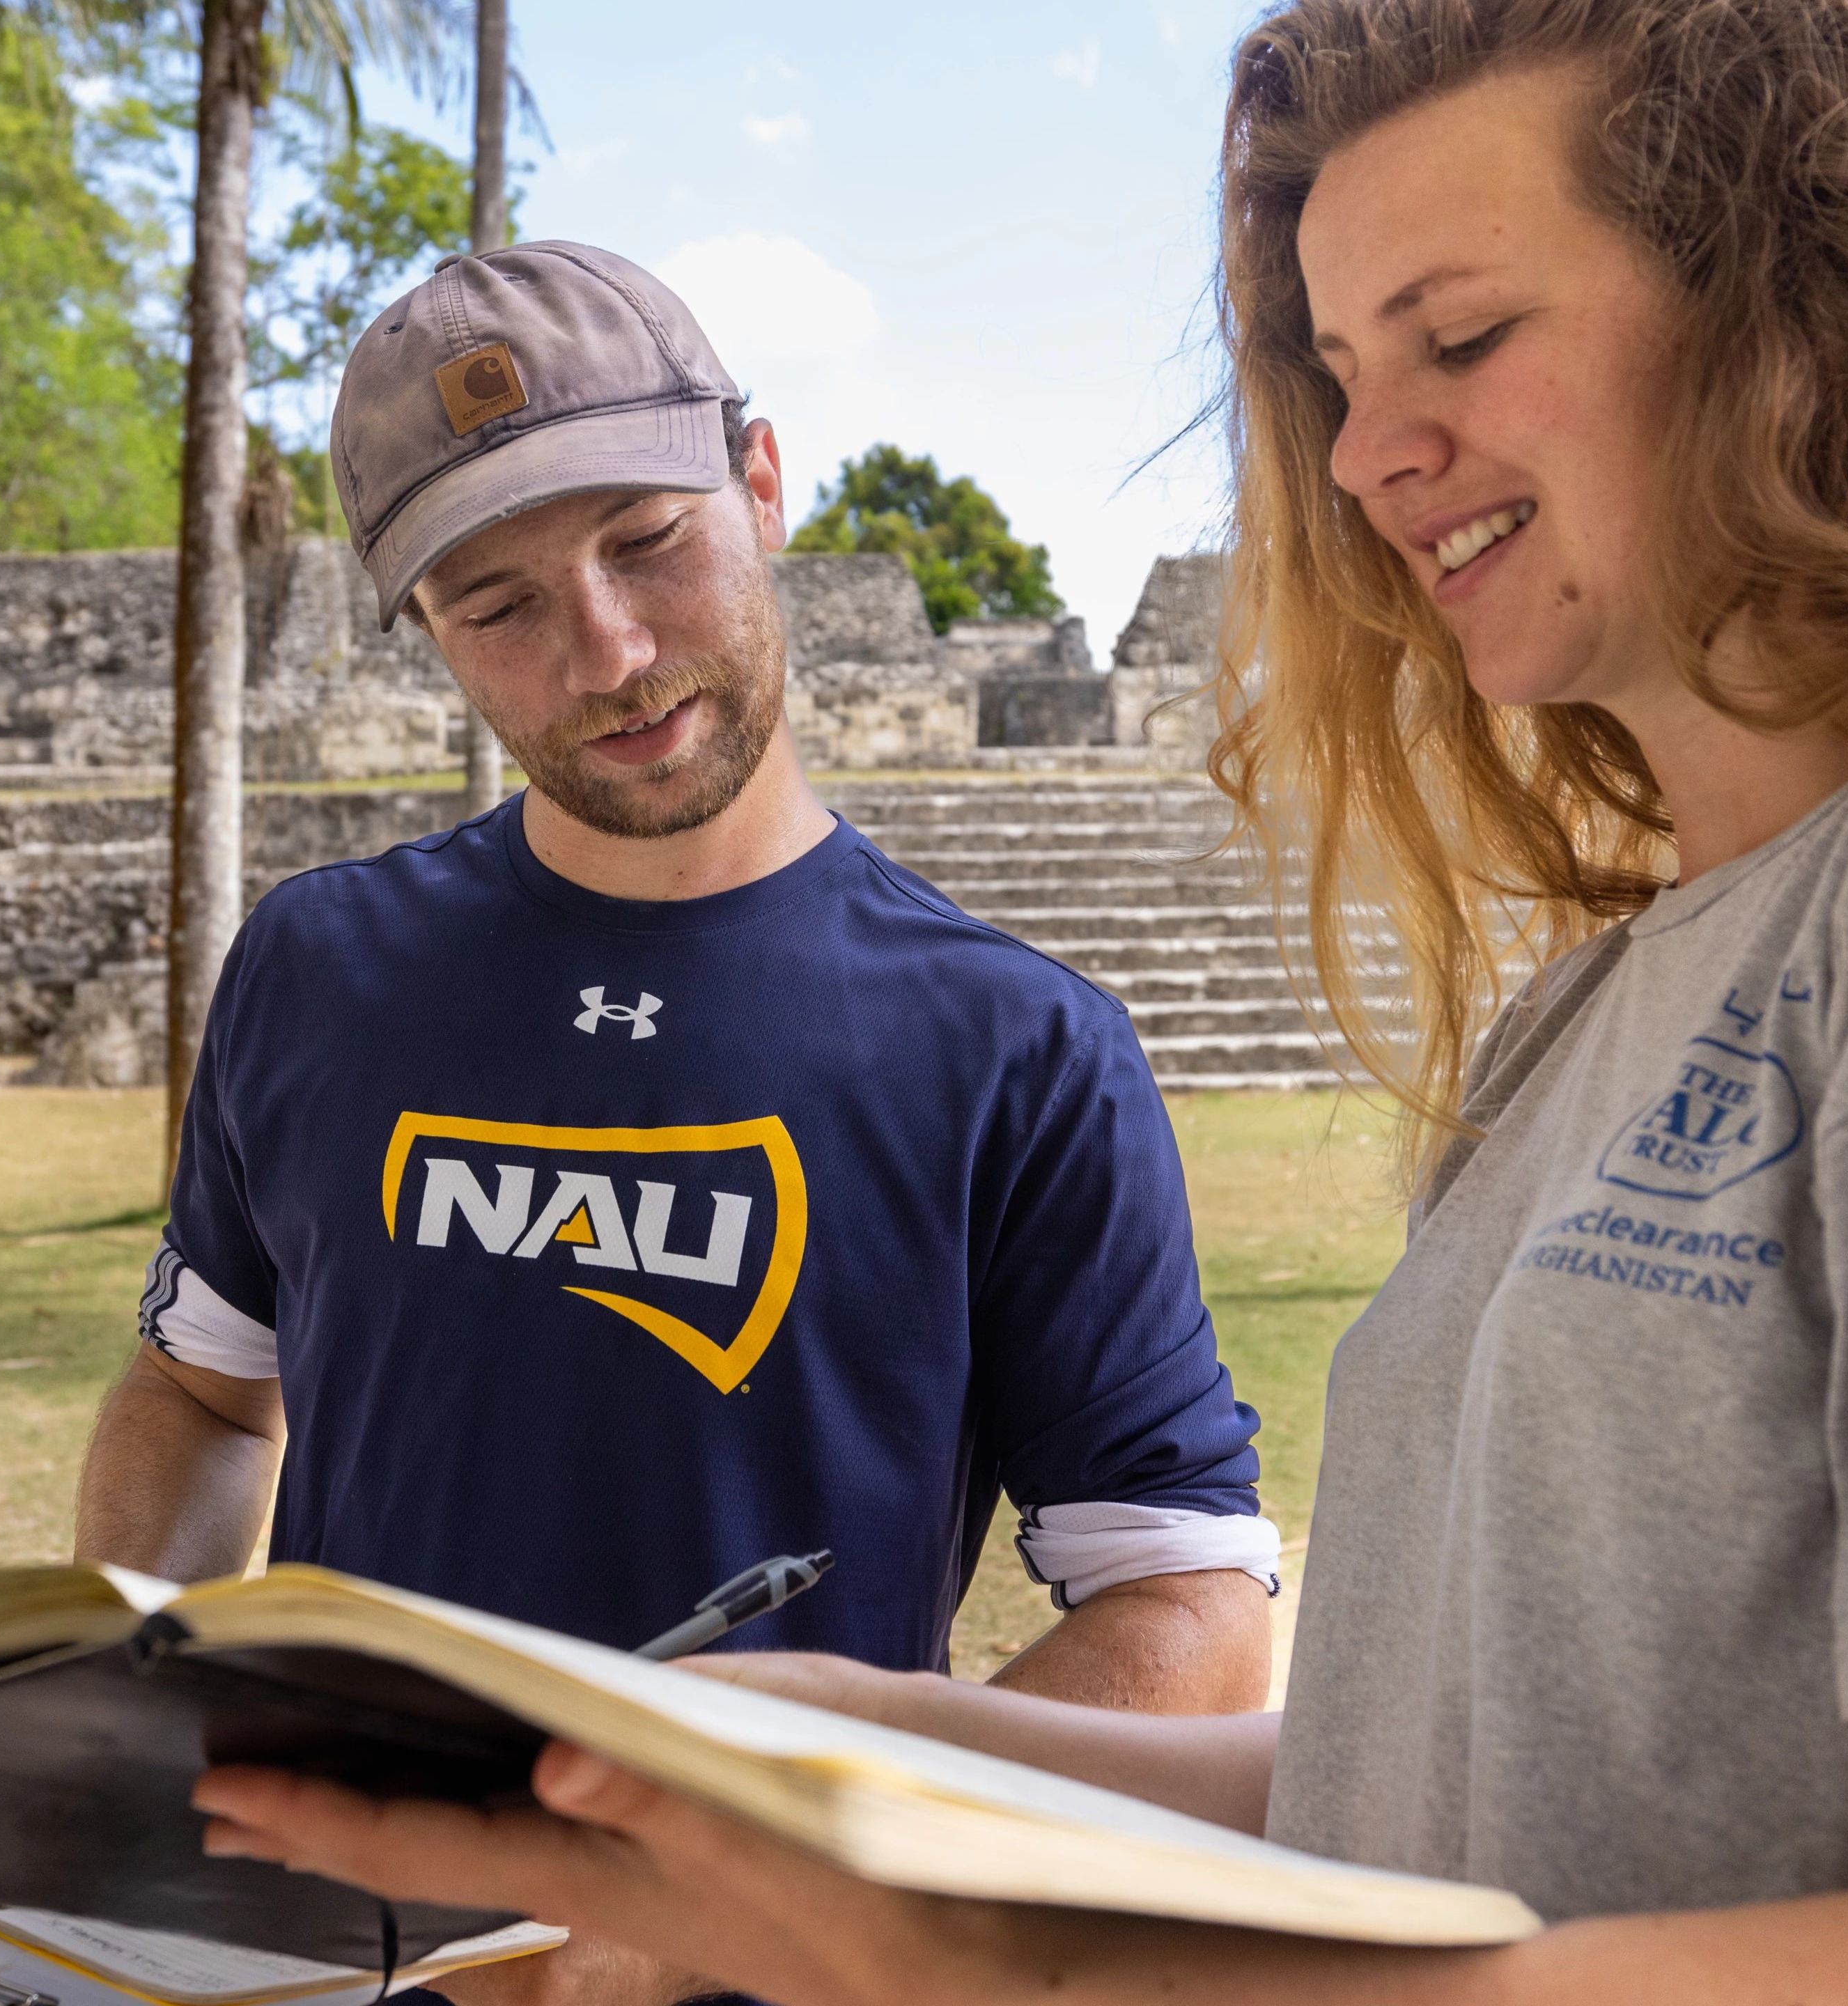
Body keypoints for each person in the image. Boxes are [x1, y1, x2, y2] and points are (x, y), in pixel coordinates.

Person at [187, 4, 1848, 2003]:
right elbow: (1443, 1805)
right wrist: (856, 1752)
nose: (1371, 454)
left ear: (1814, 297)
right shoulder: (1617, 1000)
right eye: (1339, 369)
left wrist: (1002, 1959)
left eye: (1460, 335)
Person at [72, 240, 1282, 2005]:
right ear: (424, 633)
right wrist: (116, 1720)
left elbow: (1188, 1612)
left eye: (647, 542)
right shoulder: (321, 970)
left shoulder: (1013, 1044)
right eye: (498, 607)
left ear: (762, 481)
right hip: (336, 1963)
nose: (612, 653)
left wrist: (740, 1898)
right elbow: (198, 1392)